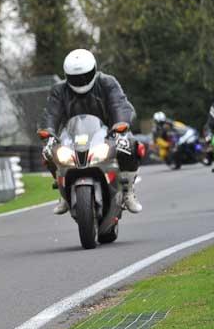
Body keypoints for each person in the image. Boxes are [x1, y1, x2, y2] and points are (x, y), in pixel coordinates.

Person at [39, 49, 142, 214]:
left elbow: (119, 104)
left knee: (130, 144)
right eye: (75, 78)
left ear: (94, 69)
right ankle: (64, 194)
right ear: (67, 76)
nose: (81, 81)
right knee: (48, 152)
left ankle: (128, 191)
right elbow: (51, 113)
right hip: (71, 136)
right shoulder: (59, 90)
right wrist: (48, 132)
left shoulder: (107, 82)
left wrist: (120, 125)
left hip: (108, 132)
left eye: (85, 76)